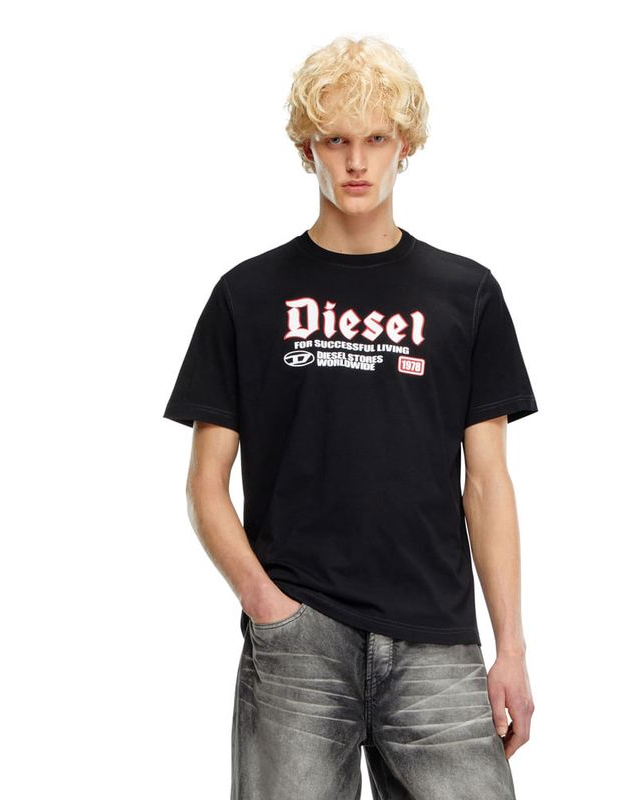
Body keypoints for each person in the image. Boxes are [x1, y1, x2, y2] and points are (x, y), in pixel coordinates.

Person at [163, 35, 538, 800]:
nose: (356, 162)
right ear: (308, 149)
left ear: (407, 145)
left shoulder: (466, 294)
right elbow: (205, 484)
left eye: (376, 139)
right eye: (335, 140)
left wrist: (511, 647)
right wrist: (268, 609)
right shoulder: (247, 296)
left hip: (437, 642)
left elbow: (487, 482)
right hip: (300, 638)